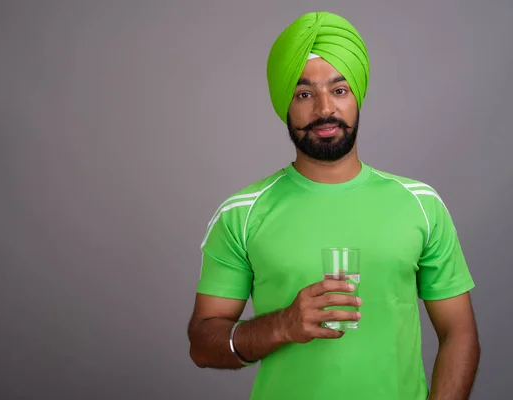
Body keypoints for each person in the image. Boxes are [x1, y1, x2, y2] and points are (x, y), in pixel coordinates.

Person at [187, 10, 480, 400]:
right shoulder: (242, 213)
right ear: (285, 107)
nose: (324, 109)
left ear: (357, 97)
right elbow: (203, 345)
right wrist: (283, 326)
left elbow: (459, 332)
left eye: (339, 90)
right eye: (304, 94)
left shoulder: (420, 205)